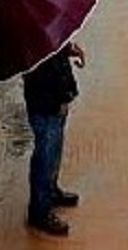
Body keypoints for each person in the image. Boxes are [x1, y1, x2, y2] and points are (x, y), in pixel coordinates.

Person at [23, 41, 85, 236]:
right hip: (45, 103)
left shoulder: (38, 24)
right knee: (45, 155)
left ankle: (50, 190)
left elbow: (52, 41)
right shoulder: (29, 36)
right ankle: (39, 211)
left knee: (53, 148)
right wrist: (60, 98)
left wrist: (67, 48)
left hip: (53, 100)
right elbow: (44, 71)